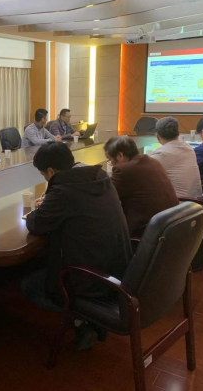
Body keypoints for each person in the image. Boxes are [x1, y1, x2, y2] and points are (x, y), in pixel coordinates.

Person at [23, 142, 132, 350]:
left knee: (29, 286)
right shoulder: (100, 177)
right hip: (118, 270)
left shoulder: (63, 191)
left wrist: (43, 207)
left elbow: (35, 224)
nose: (46, 179)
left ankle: (84, 321)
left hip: (91, 279)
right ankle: (88, 320)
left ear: (51, 171)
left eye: (44, 175)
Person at [105, 136, 179, 237]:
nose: (111, 164)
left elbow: (108, 197)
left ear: (120, 155)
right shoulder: (153, 162)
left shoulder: (124, 169)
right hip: (169, 225)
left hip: (146, 231)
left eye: (109, 159)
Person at [151, 117, 203, 201]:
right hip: (196, 203)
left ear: (158, 136)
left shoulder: (161, 154)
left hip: (179, 204)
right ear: (178, 133)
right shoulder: (188, 148)